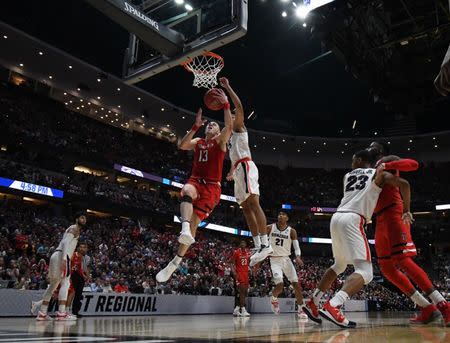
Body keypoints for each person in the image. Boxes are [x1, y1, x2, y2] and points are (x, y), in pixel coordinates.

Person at [303, 150, 411, 328]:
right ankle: (335, 304)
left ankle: (314, 301)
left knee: (339, 265)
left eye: (353, 160)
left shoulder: (347, 176)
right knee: (366, 272)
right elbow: (405, 184)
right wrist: (406, 209)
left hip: (336, 218)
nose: (351, 163)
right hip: (354, 219)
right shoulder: (378, 173)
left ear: (360, 160)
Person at [368, 141, 449, 326]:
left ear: (380, 150)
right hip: (379, 219)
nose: (370, 147)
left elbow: (413, 165)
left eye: (374, 145)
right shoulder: (368, 170)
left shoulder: (387, 160)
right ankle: (426, 307)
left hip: (394, 212)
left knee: (403, 261)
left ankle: (443, 305)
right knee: (386, 267)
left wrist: (388, 165)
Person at [156, 89, 232, 282]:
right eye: (209, 124)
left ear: (217, 131)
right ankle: (184, 229)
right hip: (196, 181)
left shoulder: (220, 142)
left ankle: (175, 263)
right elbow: (182, 145)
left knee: (195, 224)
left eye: (214, 125)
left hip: (212, 188)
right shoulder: (198, 141)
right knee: (187, 191)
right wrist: (195, 126)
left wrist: (225, 105)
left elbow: (229, 127)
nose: (211, 125)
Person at [220, 77, 273, 266]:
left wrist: (227, 87)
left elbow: (240, 106)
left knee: (253, 202)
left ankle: (266, 244)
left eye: (234, 115)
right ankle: (258, 245)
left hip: (246, 166)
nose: (233, 116)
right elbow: (232, 157)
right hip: (237, 170)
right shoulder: (229, 137)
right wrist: (230, 172)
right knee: (245, 208)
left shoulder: (239, 127)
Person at [35, 212, 87, 321]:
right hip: (63, 255)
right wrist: (64, 258)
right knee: (66, 283)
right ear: (76, 219)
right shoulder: (75, 228)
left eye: (85, 218)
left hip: (56, 255)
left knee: (53, 285)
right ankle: (62, 313)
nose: (84, 220)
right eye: (82, 217)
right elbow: (65, 242)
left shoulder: (71, 228)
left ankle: (42, 313)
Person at [267, 211, 311, 321]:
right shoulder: (269, 227)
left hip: (286, 259)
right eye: (279, 214)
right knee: (280, 286)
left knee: (296, 285)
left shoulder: (291, 231)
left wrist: (298, 256)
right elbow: (261, 237)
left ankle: (301, 309)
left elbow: (296, 247)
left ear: (287, 218)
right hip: (274, 259)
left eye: (283, 215)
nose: (280, 216)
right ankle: (273, 298)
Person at [66, 242, 89, 316]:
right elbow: (69, 266)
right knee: (71, 293)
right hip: (72, 276)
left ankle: (74, 312)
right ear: (78, 248)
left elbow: (81, 269)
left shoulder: (84, 258)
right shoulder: (73, 255)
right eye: (81, 247)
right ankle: (66, 311)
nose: (83, 248)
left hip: (80, 276)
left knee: (78, 295)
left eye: (84, 247)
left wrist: (85, 276)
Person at [231, 240, 251, 317]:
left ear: (245, 244)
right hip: (239, 274)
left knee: (245, 292)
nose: (243, 243)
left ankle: (237, 309)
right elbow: (231, 263)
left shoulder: (247, 253)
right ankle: (243, 310)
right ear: (239, 244)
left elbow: (249, 262)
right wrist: (234, 272)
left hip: (246, 274)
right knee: (242, 292)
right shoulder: (236, 252)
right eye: (241, 242)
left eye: (244, 242)